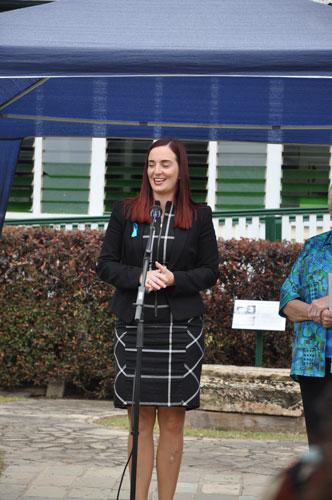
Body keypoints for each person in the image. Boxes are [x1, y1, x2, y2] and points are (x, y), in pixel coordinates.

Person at [96, 138, 219, 500]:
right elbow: (105, 264)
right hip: (135, 327)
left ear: (180, 170)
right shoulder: (126, 211)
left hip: (180, 331)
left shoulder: (199, 216)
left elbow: (210, 271)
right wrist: (139, 276)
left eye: (165, 164)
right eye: (151, 164)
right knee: (139, 423)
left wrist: (174, 279)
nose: (156, 171)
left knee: (171, 420)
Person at [279, 185, 332, 446]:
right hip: (315, 361)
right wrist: (316, 314)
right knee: (319, 444)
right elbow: (287, 300)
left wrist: (329, 301)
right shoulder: (313, 248)